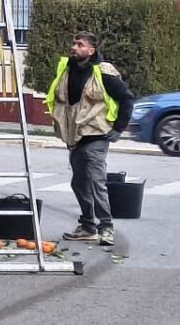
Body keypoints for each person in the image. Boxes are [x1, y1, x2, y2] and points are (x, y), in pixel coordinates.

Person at [45, 31, 134, 246]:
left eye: (80, 45)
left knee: (96, 181)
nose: (74, 47)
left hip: (96, 134)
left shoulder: (102, 72)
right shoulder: (66, 69)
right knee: (79, 183)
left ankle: (106, 227)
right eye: (74, 43)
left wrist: (118, 128)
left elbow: (126, 98)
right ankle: (87, 226)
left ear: (91, 51)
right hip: (75, 137)